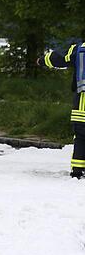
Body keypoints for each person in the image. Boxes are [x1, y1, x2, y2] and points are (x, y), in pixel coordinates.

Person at [41, 40, 85, 178]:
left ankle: (77, 171)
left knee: (81, 137)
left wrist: (43, 60)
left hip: (82, 103)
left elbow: (60, 59)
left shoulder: (79, 49)